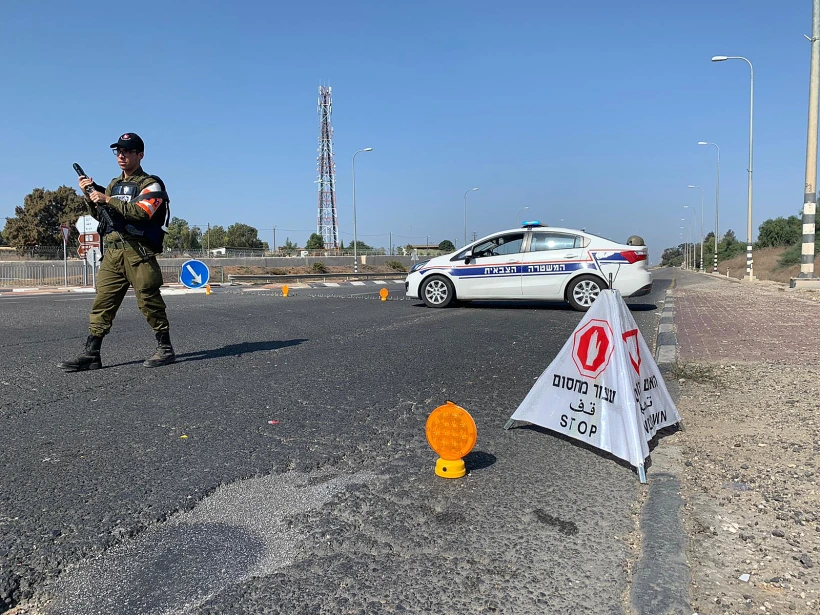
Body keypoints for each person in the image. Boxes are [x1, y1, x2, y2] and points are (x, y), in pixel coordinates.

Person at [59, 133, 175, 372]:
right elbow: (103, 216)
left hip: (137, 253)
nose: (121, 156)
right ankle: (92, 354)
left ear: (140, 155)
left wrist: (107, 199)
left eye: (127, 151)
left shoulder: (150, 184)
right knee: (103, 303)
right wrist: (91, 196)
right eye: (118, 151)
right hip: (112, 254)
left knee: (149, 301)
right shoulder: (114, 185)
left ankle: (165, 348)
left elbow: (142, 212)